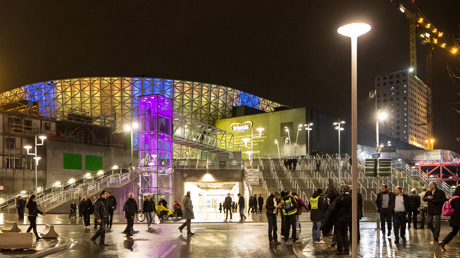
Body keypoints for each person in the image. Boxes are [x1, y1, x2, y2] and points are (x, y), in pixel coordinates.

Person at [334, 185, 351, 255]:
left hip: (340, 217)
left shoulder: (341, 197)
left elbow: (336, 206)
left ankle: (340, 250)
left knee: (339, 234)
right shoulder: (350, 197)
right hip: (347, 217)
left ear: (343, 190)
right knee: (345, 234)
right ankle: (346, 249)